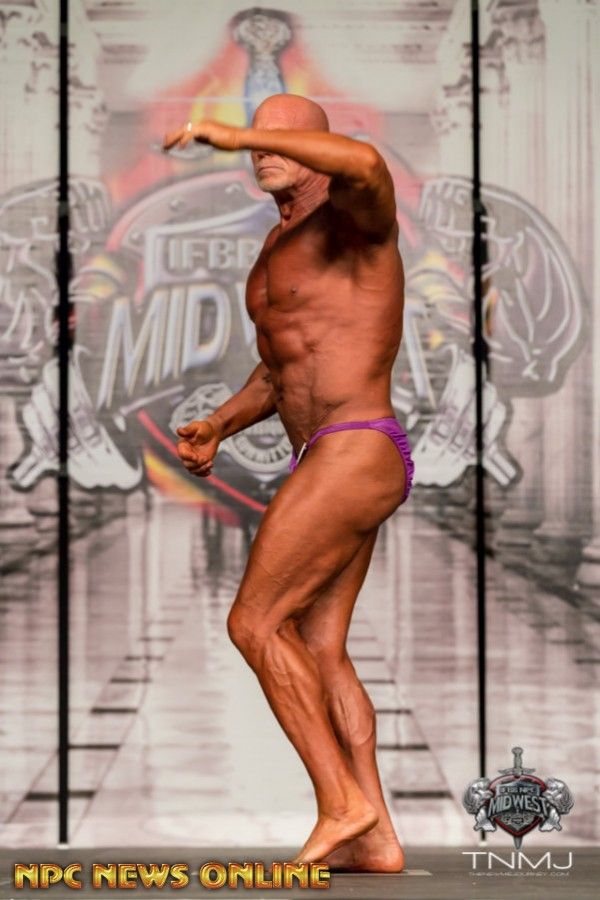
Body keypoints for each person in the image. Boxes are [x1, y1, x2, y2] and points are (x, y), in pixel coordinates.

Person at [163, 94, 414, 873]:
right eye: (255, 140)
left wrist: (235, 130)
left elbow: (366, 162)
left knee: (254, 623)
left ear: (316, 148)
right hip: (327, 454)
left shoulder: (355, 221)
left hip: (355, 445)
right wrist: (219, 425)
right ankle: (375, 836)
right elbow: (279, 372)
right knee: (320, 647)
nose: (259, 150)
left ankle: (340, 802)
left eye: (280, 138)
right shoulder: (277, 246)